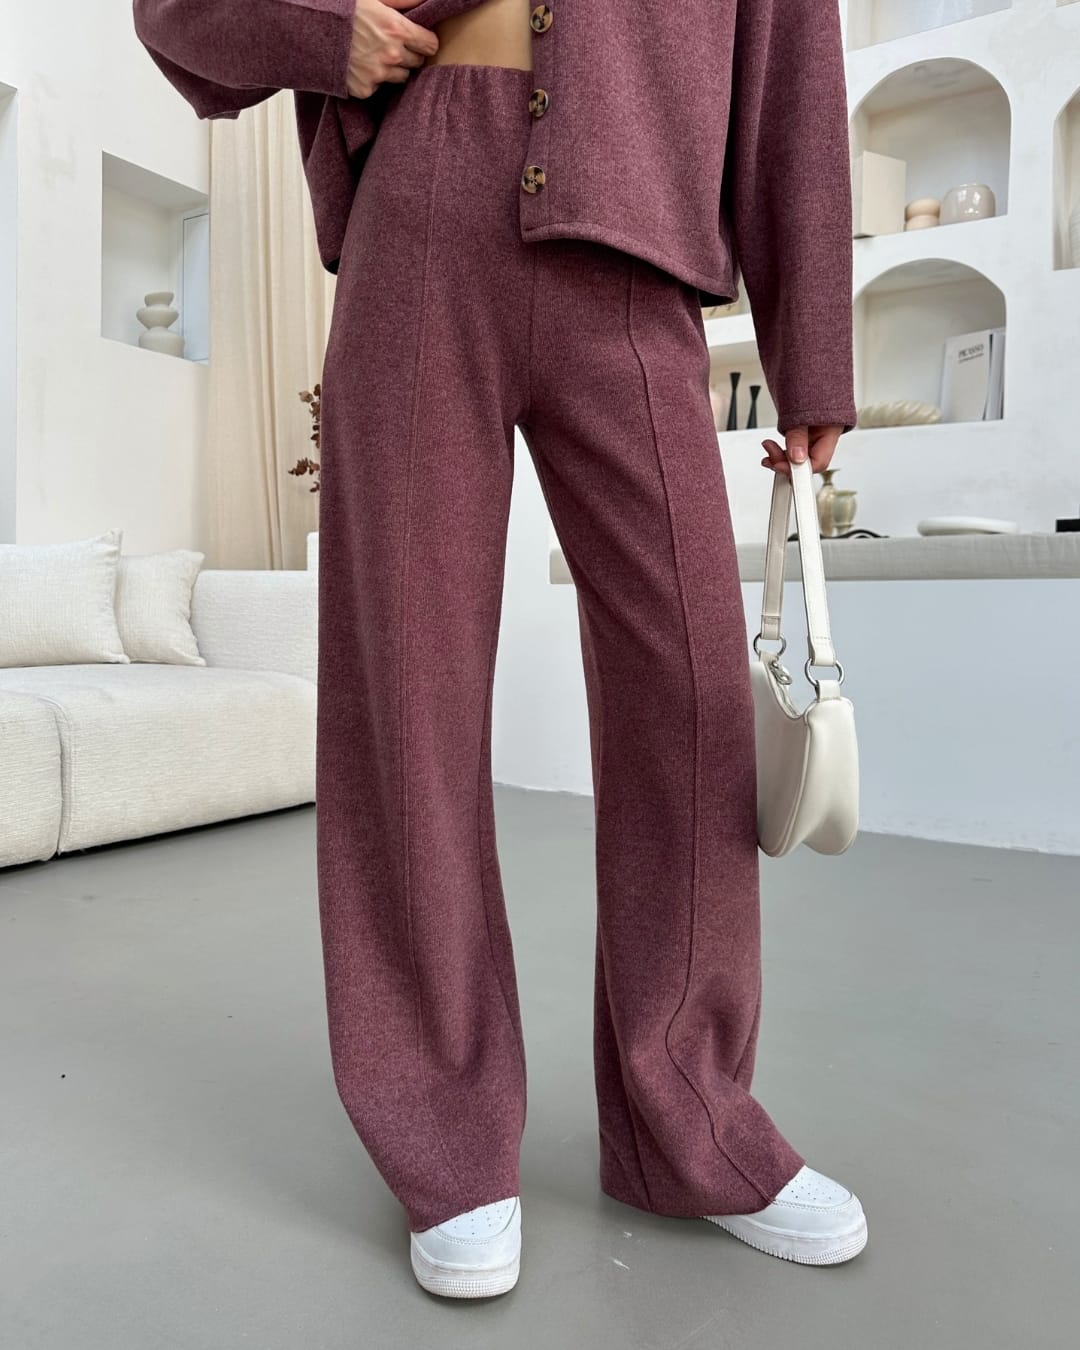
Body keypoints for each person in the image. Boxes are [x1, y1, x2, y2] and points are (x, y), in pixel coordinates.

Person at [132, 0, 867, 1299]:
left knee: (695, 697)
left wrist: (811, 351)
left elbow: (792, 69)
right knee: (407, 698)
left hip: (636, 244)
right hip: (418, 220)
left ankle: (691, 1116)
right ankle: (446, 1134)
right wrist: (322, 28)